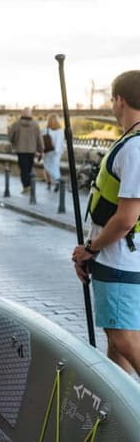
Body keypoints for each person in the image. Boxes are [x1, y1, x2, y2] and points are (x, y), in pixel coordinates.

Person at [72, 70, 140, 376]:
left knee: (124, 338)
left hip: (120, 259)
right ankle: (122, 401)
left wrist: (91, 248)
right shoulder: (130, 143)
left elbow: (126, 218)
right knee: (116, 341)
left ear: (119, 100)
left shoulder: (135, 149)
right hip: (118, 257)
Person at [8, 107, 43, 193]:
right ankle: (29, 185)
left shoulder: (16, 124)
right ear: (30, 114)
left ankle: (26, 186)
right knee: (29, 168)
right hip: (32, 150)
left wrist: (14, 143)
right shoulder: (35, 125)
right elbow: (39, 138)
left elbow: (11, 137)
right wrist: (41, 150)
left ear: (22, 114)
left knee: (23, 169)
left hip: (20, 150)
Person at [42, 114, 64, 191]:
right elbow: (61, 142)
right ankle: (57, 180)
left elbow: (42, 141)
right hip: (57, 152)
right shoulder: (60, 131)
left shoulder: (46, 130)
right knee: (55, 166)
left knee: (46, 167)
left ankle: (49, 183)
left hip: (48, 151)